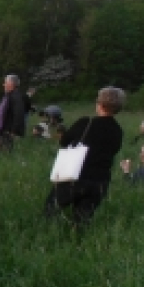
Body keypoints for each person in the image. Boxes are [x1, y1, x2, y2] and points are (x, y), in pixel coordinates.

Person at [45, 87, 125, 224]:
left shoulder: (86, 123)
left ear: (100, 104)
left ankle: (53, 237)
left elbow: (64, 142)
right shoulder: (118, 130)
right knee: (82, 221)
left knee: (50, 211)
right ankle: (77, 242)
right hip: (100, 181)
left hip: (76, 175)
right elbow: (114, 150)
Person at [0, 74, 27, 147]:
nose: (3, 85)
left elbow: (19, 114)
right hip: (2, 129)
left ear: (11, 84)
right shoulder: (8, 95)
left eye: (5, 82)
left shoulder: (16, 96)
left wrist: (13, 131)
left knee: (5, 151)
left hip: (8, 131)